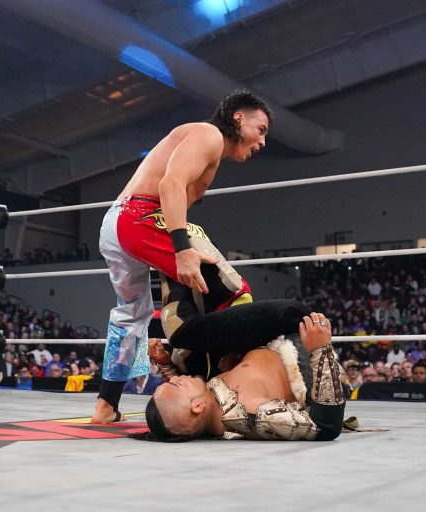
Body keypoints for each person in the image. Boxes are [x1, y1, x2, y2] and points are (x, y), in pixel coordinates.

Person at [93, 90, 271, 423]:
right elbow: (171, 184)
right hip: (139, 217)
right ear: (238, 118)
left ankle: (106, 406)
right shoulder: (209, 134)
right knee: (228, 287)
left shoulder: (203, 143)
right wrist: (182, 248)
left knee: (132, 315)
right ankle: (239, 386)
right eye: (260, 130)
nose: (262, 142)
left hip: (118, 224)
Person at [140, 300, 344, 441]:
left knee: (190, 324)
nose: (177, 379)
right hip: (292, 333)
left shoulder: (206, 405)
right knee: (182, 334)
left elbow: (181, 399)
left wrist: (165, 364)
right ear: (197, 406)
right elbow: (325, 427)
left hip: (264, 341)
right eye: (176, 385)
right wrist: (321, 350)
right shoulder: (250, 414)